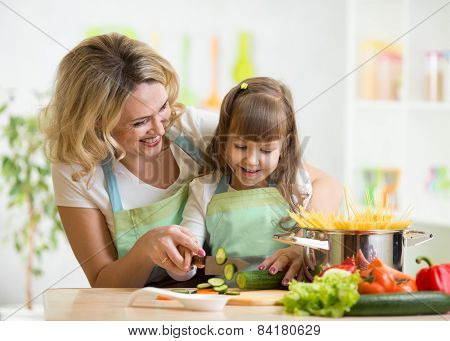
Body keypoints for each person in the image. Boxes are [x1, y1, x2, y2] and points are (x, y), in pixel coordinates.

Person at [40, 33, 340, 288]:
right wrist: (145, 250)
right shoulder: (78, 169)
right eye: (140, 122)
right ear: (96, 124)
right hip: (142, 311)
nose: (160, 129)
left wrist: (305, 244)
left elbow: (324, 184)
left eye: (163, 107)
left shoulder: (193, 129)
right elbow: (102, 281)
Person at [174, 77, 342, 286]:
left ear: (284, 145)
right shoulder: (204, 190)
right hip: (231, 303)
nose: (252, 160)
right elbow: (187, 258)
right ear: (224, 140)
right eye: (241, 147)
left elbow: (331, 188)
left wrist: (303, 244)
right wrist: (183, 259)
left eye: (266, 150)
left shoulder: (296, 184)